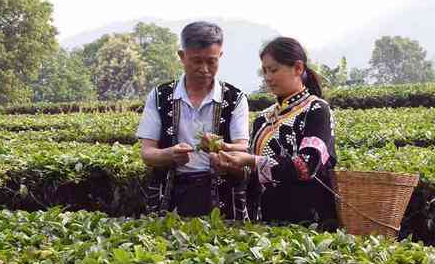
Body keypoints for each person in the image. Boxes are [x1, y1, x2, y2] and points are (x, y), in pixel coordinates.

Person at [213, 36, 338, 229]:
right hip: (266, 221)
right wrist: (230, 162)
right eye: (264, 71)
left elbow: (307, 166)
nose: (268, 78)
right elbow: (253, 174)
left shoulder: (316, 110)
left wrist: (250, 160)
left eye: (274, 70)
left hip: (310, 224)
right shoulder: (263, 118)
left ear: (298, 68)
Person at [136, 21, 250, 220]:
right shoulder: (159, 96)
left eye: (211, 61)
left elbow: (243, 149)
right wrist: (169, 154)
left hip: (222, 198)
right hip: (172, 195)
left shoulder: (236, 98)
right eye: (196, 61)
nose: (204, 69)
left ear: (220, 56)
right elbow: (147, 153)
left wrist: (220, 150)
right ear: (182, 56)